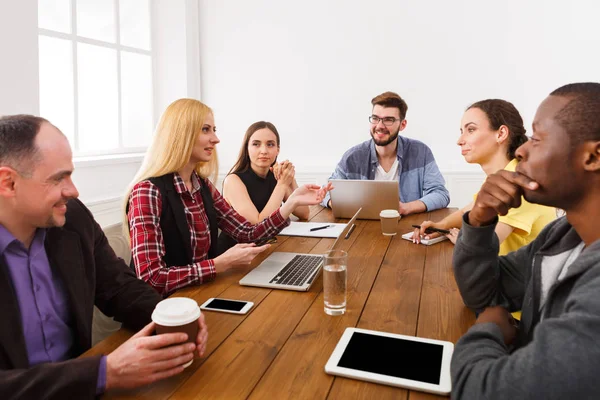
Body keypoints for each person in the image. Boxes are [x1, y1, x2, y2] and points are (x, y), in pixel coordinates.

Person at [0, 115, 208, 399]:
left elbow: (120, 288)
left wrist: (171, 322)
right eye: (59, 178)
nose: (73, 191)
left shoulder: (73, 219)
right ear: (8, 183)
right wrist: (103, 373)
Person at [450, 83, 600, 399]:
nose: (521, 150)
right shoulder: (562, 237)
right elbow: (482, 293)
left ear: (594, 156)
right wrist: (479, 221)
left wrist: (486, 331)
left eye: (537, 138)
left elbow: (485, 392)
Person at [125, 99, 331, 296]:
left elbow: (249, 233)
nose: (216, 139)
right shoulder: (147, 191)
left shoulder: (202, 186)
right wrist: (219, 264)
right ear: (181, 133)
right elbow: (151, 279)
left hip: (201, 292)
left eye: (214, 130)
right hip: (165, 308)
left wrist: (291, 202)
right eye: (206, 129)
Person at [413, 99, 556, 255]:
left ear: (501, 134)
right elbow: (469, 211)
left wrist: (463, 239)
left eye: (471, 130)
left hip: (520, 277)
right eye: (462, 131)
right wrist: (441, 225)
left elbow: (482, 247)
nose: (460, 141)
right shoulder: (504, 175)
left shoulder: (519, 182)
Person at [321, 91, 450, 215]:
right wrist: (343, 207)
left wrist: (405, 208)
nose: (380, 125)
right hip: (362, 229)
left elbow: (440, 194)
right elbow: (326, 192)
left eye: (388, 120)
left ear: (402, 125)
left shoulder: (421, 152)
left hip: (407, 228)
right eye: (375, 118)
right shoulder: (353, 157)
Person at [218, 121, 309, 254]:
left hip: (264, 249)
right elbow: (257, 226)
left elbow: (304, 213)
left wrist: (290, 178)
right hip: (234, 255)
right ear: (247, 148)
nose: (264, 151)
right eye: (256, 144)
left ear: (278, 149)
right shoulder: (233, 180)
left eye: (270, 144)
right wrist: (282, 184)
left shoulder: (276, 176)